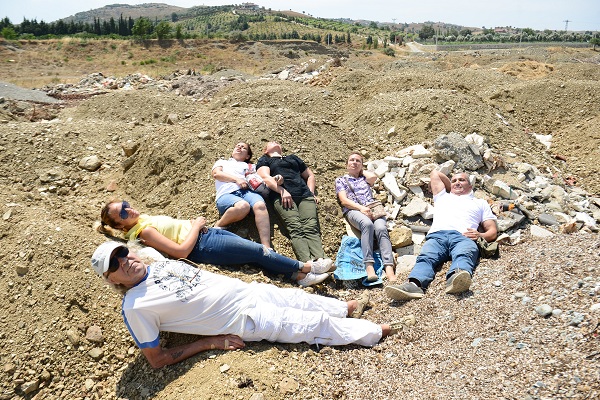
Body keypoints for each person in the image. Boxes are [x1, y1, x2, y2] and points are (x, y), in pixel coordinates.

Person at [91, 242, 411, 369]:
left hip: (250, 292)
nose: (124, 262)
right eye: (115, 264)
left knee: (301, 299)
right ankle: (373, 332)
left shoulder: (156, 262)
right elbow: (157, 359)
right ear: (111, 279)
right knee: (307, 326)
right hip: (244, 317)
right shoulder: (135, 306)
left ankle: (345, 309)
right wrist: (209, 342)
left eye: (123, 253)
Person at [98, 200, 335, 287]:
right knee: (257, 251)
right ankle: (306, 267)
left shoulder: (142, 221)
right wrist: (195, 225)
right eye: (124, 213)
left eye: (126, 205)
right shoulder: (144, 232)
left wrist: (196, 226)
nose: (130, 210)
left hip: (206, 235)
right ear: (120, 225)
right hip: (202, 246)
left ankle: (297, 276)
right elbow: (180, 252)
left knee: (254, 254)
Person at [385, 169, 498, 301]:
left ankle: (456, 279)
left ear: (470, 186)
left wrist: (480, 235)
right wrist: (452, 187)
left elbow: (492, 231)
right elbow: (435, 173)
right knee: (426, 257)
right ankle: (414, 285)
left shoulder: (480, 203)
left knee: (464, 254)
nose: (457, 182)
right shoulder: (442, 196)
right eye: (454, 180)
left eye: (462, 180)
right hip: (437, 236)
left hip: (463, 237)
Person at [256, 141, 325, 262]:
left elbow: (309, 176)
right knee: (295, 228)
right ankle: (307, 262)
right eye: (270, 143)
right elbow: (265, 177)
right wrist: (282, 191)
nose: (274, 142)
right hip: (281, 197)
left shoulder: (293, 158)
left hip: (304, 195)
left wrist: (311, 192)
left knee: (311, 227)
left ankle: (320, 259)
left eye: (277, 142)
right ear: (265, 150)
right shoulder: (265, 160)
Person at [336, 152, 396, 282]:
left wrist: (360, 171)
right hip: (354, 209)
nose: (354, 162)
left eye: (358, 161)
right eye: (351, 160)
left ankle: (389, 266)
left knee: (381, 228)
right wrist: (361, 208)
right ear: (346, 164)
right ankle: (369, 266)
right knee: (367, 224)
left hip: (372, 208)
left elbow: (373, 177)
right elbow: (344, 201)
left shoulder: (364, 178)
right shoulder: (341, 180)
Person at [212, 142, 279, 248]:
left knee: (260, 205)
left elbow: (261, 178)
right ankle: (219, 225)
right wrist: (237, 179)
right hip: (226, 193)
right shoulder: (222, 162)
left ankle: (266, 247)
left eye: (243, 147)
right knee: (243, 206)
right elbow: (217, 174)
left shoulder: (251, 166)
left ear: (247, 156)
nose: (239, 147)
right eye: (237, 146)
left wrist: (274, 179)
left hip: (247, 192)